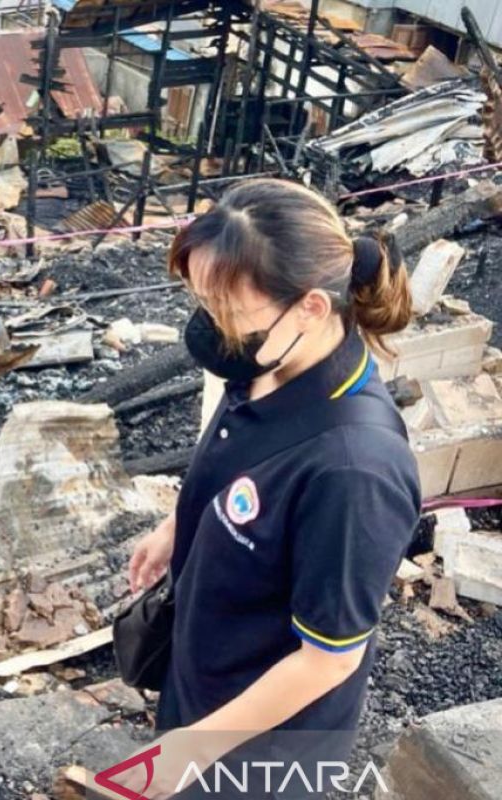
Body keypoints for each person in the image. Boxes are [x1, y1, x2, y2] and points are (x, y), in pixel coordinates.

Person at [119, 179, 421, 799]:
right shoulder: (269, 363)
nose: (213, 328)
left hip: (266, 746)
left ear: (312, 306)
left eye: (227, 310)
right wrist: (178, 526)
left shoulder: (353, 471)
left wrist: (192, 748)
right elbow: (239, 457)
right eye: (204, 302)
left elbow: (329, 657)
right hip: (207, 671)